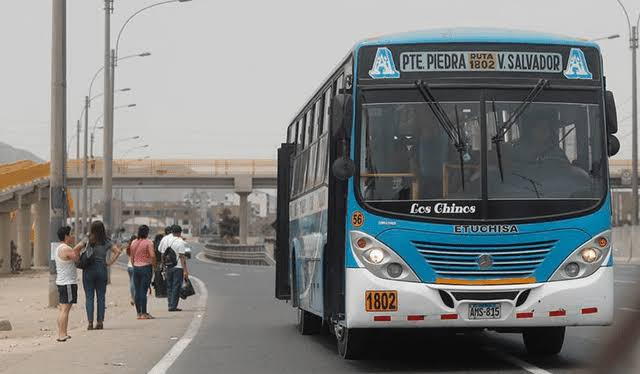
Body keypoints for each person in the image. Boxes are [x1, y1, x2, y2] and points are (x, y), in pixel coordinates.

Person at [77, 221, 121, 330]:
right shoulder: (106, 241)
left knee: (89, 297)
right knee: (101, 298)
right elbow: (117, 251)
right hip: (101, 270)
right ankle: (100, 322)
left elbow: (75, 249)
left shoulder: (87, 239)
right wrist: (109, 263)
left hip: (88, 271)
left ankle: (90, 323)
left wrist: (79, 260)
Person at [54, 226, 81, 342]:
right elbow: (77, 259)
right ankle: (62, 334)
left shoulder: (59, 248)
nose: (72, 236)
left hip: (62, 282)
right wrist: (79, 246)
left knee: (63, 309)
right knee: (65, 309)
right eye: (71, 234)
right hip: (68, 283)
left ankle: (62, 333)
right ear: (66, 236)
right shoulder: (66, 249)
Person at [158, 225, 190, 312]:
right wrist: (185, 270)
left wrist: (163, 265)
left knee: (169, 286)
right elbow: (182, 256)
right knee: (176, 286)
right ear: (180, 232)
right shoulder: (180, 241)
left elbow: (162, 254)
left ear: (172, 232)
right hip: (178, 267)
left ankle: (170, 304)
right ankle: (173, 306)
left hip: (168, 266)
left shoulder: (165, 240)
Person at [129, 225, 156, 319]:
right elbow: (152, 255)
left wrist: (135, 264)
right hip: (146, 268)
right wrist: (154, 265)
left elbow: (132, 257)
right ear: (147, 232)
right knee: (143, 291)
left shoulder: (133, 242)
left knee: (137, 291)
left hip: (136, 268)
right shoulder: (149, 242)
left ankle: (138, 313)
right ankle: (144, 313)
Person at [125, 235, 137, 306]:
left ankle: (133, 297)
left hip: (129, 266)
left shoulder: (129, 247)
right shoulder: (135, 247)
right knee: (134, 283)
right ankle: (133, 298)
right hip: (134, 266)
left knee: (131, 283)